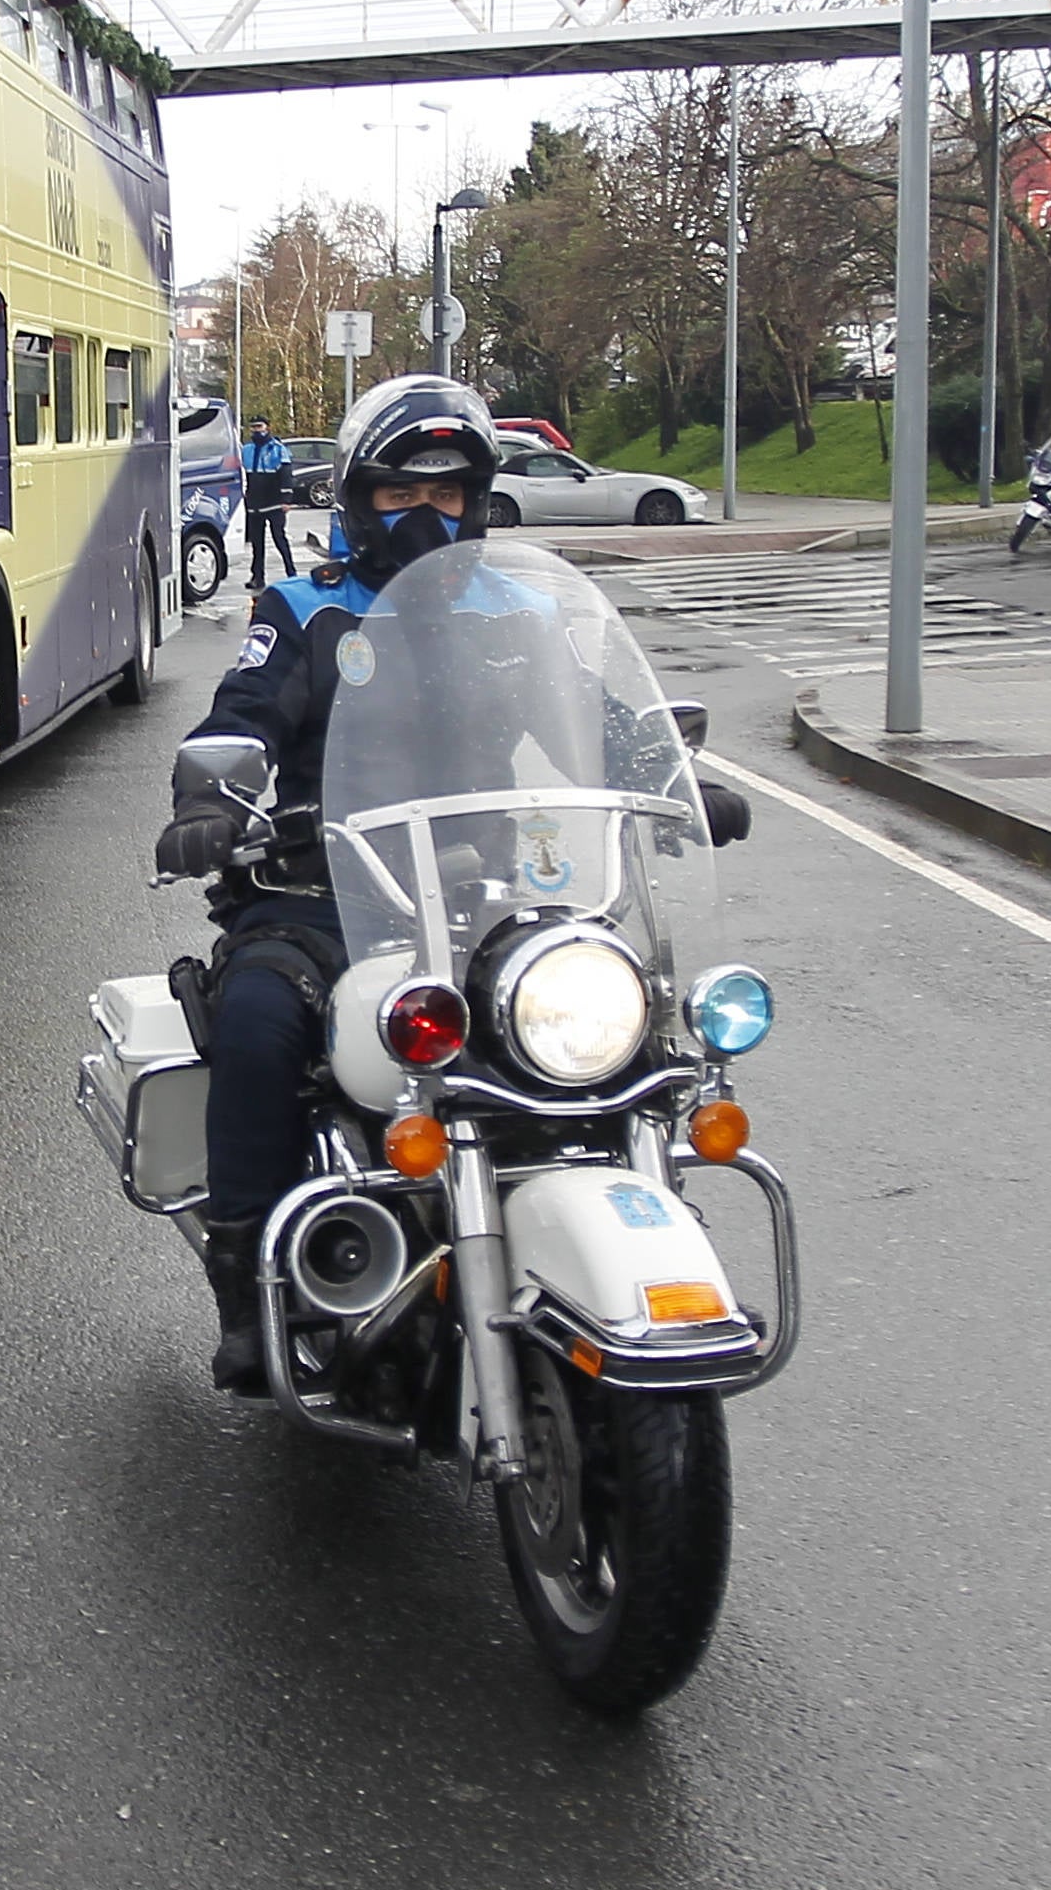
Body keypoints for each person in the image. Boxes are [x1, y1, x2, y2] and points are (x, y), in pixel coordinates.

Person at [150, 374, 747, 1393]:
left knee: (612, 1026)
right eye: (400, 493)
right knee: (257, 1022)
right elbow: (238, 719)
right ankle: (246, 1278)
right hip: (322, 893)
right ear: (357, 500)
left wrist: (673, 774)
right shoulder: (307, 611)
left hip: (493, 901)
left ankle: (615, 1226)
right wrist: (213, 795)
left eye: (449, 494)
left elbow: (602, 717)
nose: (427, 515)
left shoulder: (516, 611)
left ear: (478, 501)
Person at [239, 415, 301, 580]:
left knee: (279, 537)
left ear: (267, 427)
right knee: (256, 543)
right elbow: (241, 473)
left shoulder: (277, 449)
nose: (256, 430)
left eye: (259, 426)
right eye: (253, 427)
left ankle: (291, 572)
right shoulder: (246, 449)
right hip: (254, 502)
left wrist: (286, 499)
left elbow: (286, 475)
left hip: (274, 502)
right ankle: (257, 576)